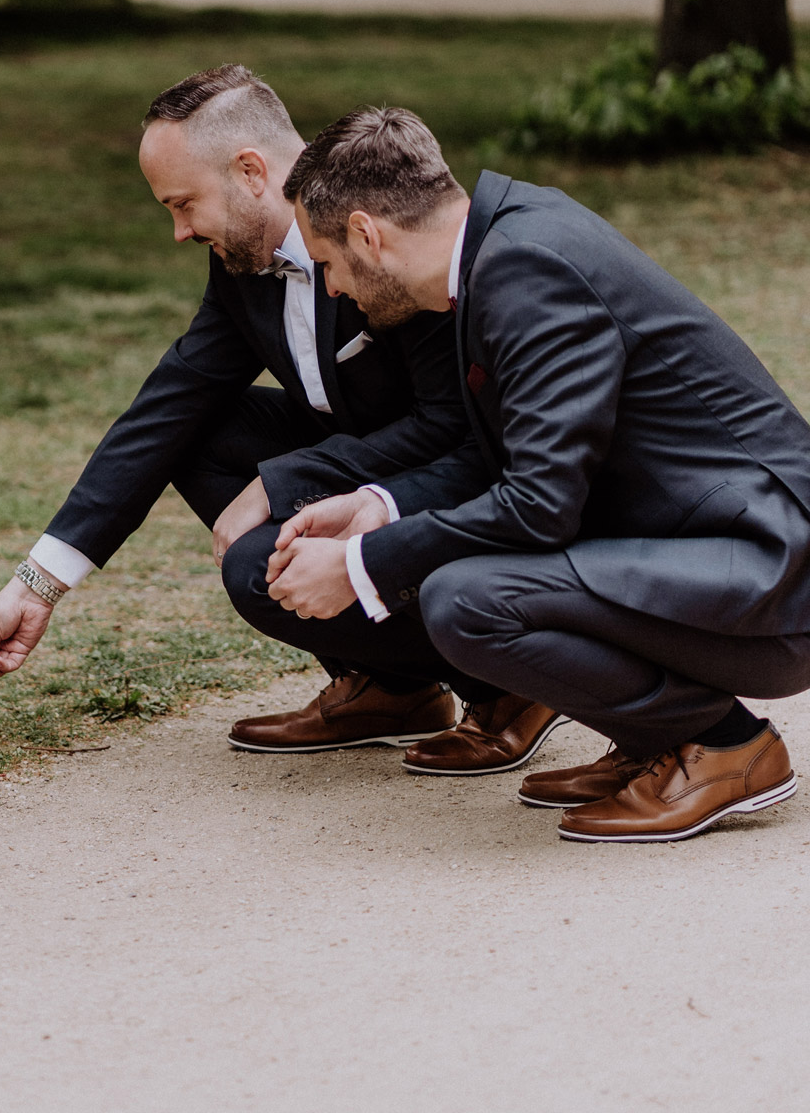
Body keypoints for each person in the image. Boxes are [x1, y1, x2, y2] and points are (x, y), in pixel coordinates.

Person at [0, 66, 558, 762]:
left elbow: (452, 426)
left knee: (255, 568)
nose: (179, 232)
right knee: (197, 430)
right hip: (364, 450)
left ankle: (507, 685)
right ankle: (394, 685)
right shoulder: (241, 261)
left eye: (184, 204)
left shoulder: (386, 233)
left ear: (251, 171)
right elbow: (168, 406)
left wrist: (281, 482)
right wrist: (38, 583)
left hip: (456, 476)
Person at [268, 105, 810, 842]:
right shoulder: (506, 240)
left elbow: (540, 504)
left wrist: (362, 565)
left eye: (327, 263)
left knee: (466, 600)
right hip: (716, 552)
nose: (331, 290)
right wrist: (378, 508)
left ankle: (724, 746)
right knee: (464, 585)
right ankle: (659, 739)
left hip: (769, 576)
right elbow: (511, 451)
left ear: (367, 233)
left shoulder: (525, 268)